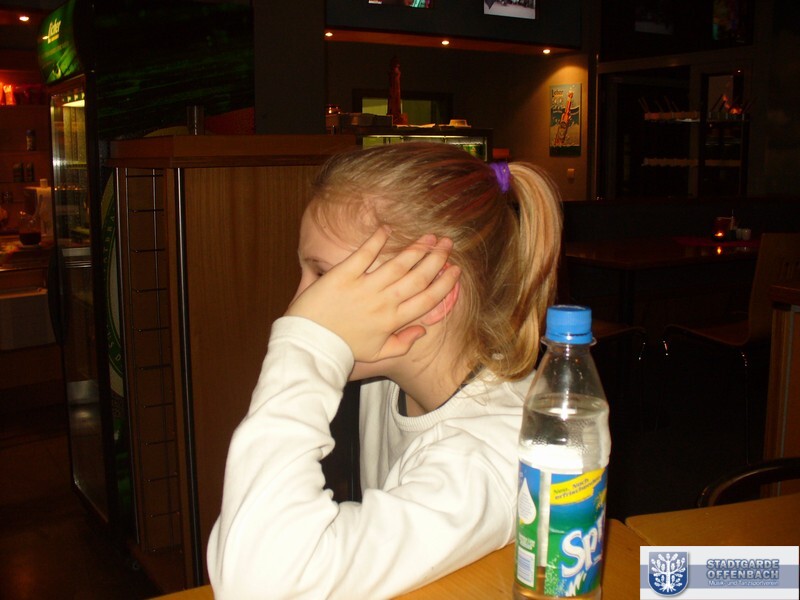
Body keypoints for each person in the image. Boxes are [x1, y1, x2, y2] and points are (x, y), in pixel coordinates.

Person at [206, 142, 563, 599]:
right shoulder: (388, 376)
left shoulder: (491, 458)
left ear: (430, 290)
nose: (299, 307)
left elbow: (259, 583)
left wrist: (305, 347)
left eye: (323, 277)